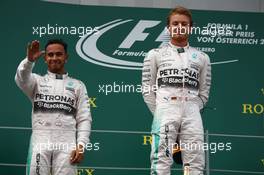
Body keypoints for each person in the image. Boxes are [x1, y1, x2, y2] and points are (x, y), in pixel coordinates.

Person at [142, 6, 211, 175]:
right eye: (175, 23)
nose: (179, 27)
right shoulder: (154, 54)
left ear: (190, 27)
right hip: (165, 110)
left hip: (192, 112)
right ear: (168, 27)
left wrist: (192, 107)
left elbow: (204, 93)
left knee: (195, 161)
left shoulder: (202, 57)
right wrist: (161, 110)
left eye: (184, 24)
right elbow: (147, 89)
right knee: (160, 159)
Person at [15, 39, 92, 175]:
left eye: (59, 54)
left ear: (66, 57)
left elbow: (84, 119)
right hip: (40, 144)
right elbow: (21, 79)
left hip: (67, 146)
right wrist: (29, 61)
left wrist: (80, 146)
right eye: (50, 55)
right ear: (45, 58)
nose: (54, 58)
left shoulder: (78, 86)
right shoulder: (36, 81)